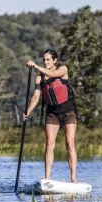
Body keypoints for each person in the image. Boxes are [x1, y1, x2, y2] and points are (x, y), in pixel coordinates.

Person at [23, 49, 78, 183]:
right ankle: (47, 177)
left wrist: (36, 66)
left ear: (55, 60)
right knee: (49, 145)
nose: (45, 62)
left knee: (70, 144)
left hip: (68, 111)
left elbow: (53, 74)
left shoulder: (63, 69)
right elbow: (36, 96)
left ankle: (73, 178)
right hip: (52, 113)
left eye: (48, 60)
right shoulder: (39, 78)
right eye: (44, 60)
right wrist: (28, 111)